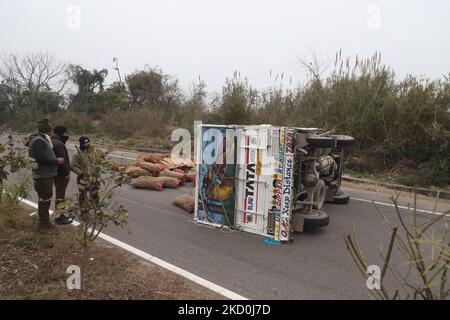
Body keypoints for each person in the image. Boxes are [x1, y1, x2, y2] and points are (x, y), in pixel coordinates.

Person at [25, 119, 64, 230]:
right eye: (49, 129)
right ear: (46, 130)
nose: (51, 131)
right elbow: (41, 158)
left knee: (44, 200)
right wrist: (57, 161)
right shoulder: (39, 141)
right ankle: (44, 225)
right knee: (45, 201)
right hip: (43, 176)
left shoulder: (39, 139)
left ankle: (45, 223)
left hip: (44, 175)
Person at [71, 136, 101, 214]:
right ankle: (84, 211)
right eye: (85, 143)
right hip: (83, 179)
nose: (87, 144)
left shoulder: (93, 152)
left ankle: (95, 209)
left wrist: (97, 172)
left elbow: (98, 161)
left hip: (94, 178)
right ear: (81, 143)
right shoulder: (77, 154)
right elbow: (73, 166)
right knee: (83, 196)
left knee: (95, 195)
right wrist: (81, 173)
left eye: (88, 142)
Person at [51, 125, 72, 225]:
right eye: (66, 133)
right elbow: (62, 161)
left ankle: (61, 214)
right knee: (60, 196)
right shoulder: (58, 144)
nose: (67, 135)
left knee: (60, 195)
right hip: (61, 175)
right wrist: (66, 173)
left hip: (57, 173)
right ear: (60, 133)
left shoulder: (54, 141)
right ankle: (59, 217)